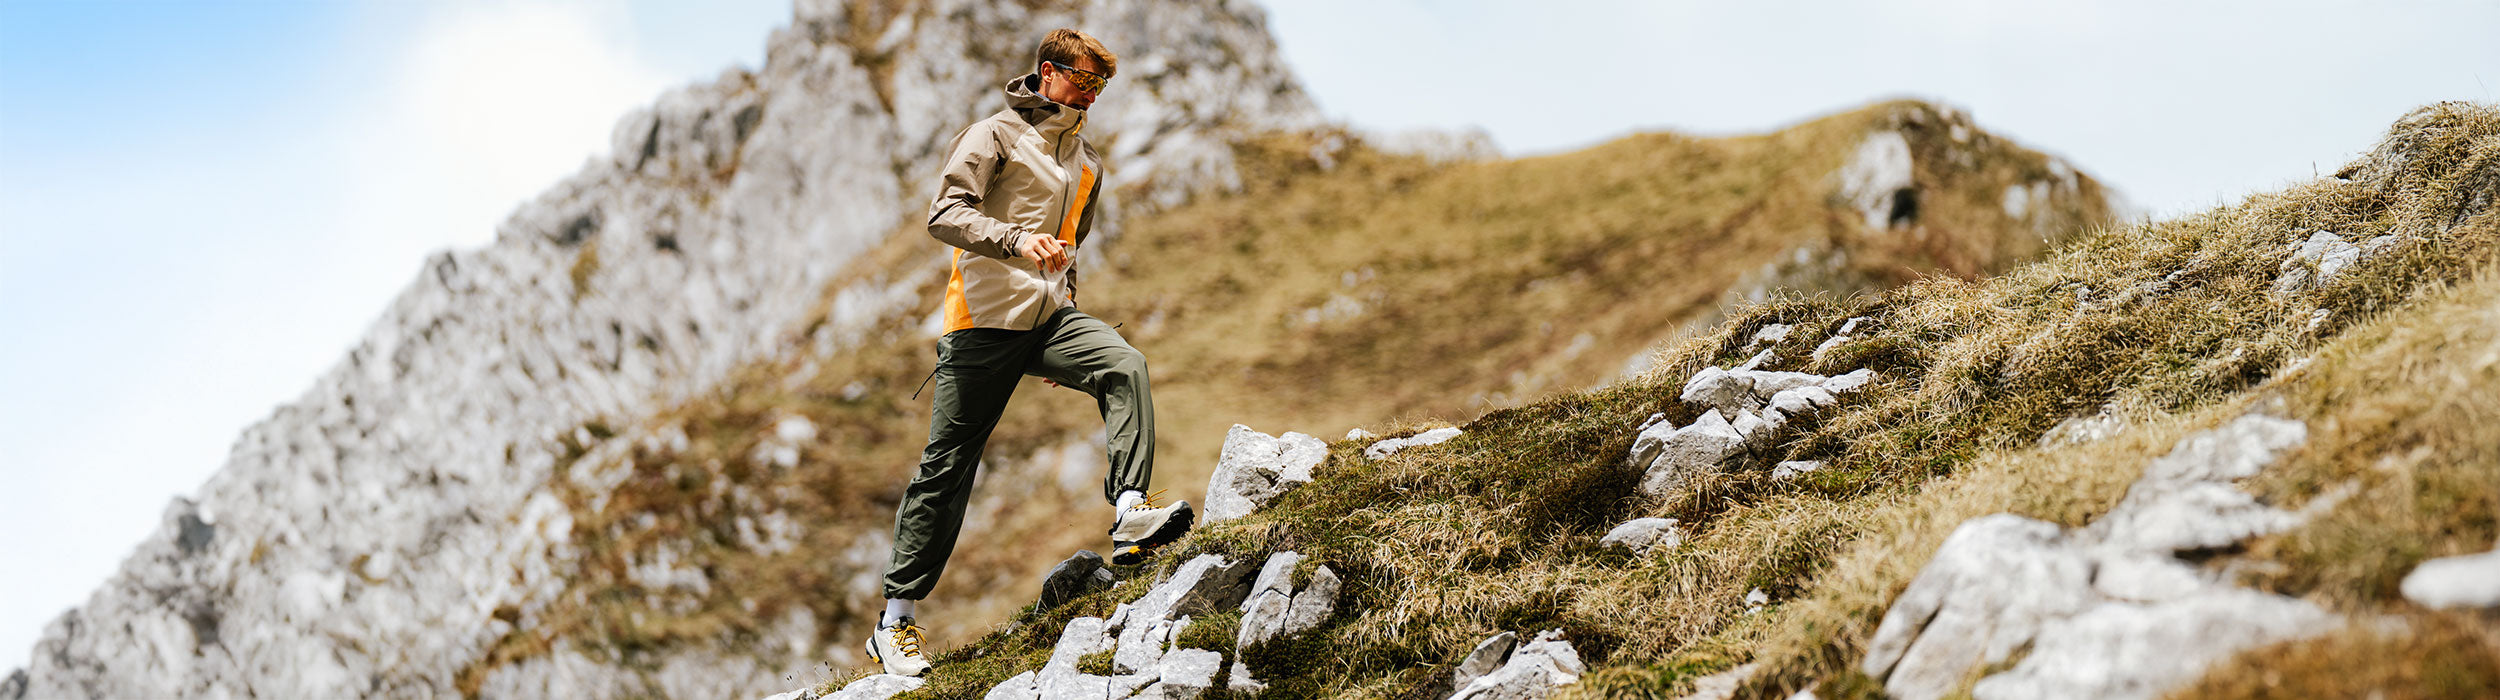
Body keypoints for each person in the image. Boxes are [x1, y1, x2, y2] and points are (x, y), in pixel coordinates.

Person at [863, 28, 1194, 678]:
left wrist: (1064, 310)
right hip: (982, 324)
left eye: (1101, 87)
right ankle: (894, 622)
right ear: (1048, 72)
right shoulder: (993, 135)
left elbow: (1071, 243)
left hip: (1048, 323)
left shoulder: (1088, 163)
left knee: (1123, 364)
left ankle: (1129, 508)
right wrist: (1016, 241)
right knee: (949, 464)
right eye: (1083, 82)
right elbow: (943, 215)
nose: (1092, 96)